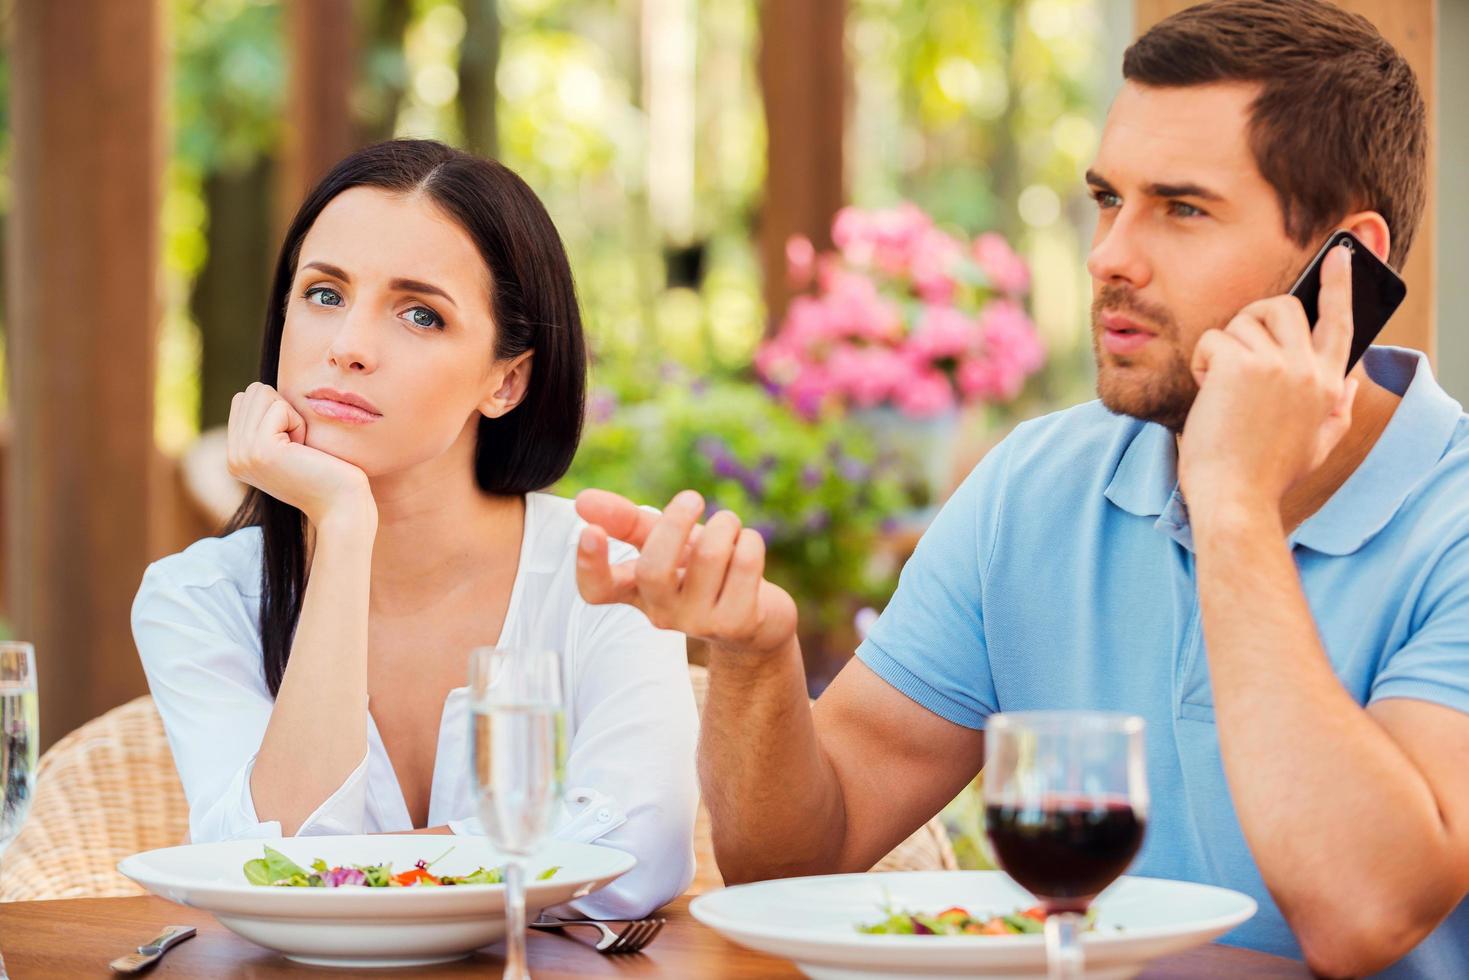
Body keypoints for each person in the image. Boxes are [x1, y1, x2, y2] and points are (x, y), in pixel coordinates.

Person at [573, 0, 1469, 972]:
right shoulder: (1034, 486)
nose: (1108, 254)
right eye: (1106, 199)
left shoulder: (1450, 517)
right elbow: (798, 860)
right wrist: (754, 654)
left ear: (1347, 265)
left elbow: (1363, 911)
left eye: (1180, 208)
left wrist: (1234, 502)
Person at [131, 139, 697, 919]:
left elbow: (639, 853)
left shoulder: (600, 575)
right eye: (324, 294)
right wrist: (342, 526)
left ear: (506, 380)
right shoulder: (197, 598)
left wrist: (362, 878)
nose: (348, 348)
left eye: (420, 314)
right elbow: (263, 875)